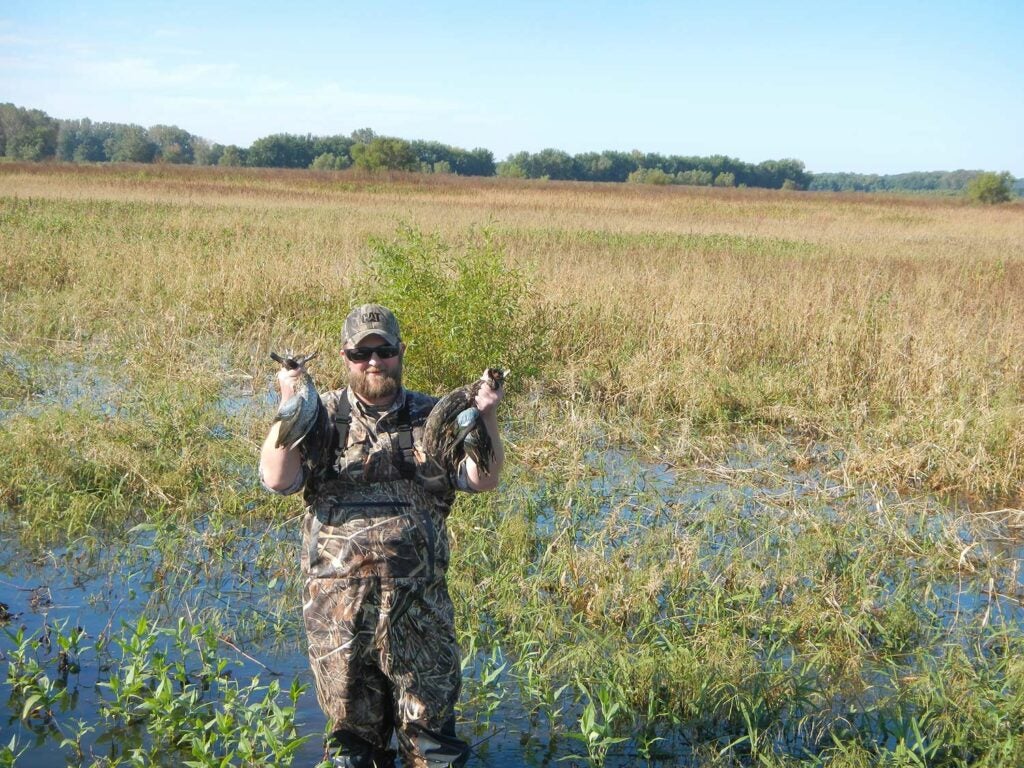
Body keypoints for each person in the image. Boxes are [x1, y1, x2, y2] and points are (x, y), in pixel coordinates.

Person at [259, 304, 504, 768]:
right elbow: (277, 479)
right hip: (338, 614)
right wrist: (288, 406)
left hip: (419, 609)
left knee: (432, 742)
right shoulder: (320, 412)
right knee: (355, 745)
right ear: (345, 356)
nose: (374, 362)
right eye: (361, 353)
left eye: (385, 350)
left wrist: (486, 415)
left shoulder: (434, 414)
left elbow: (481, 478)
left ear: (400, 352)